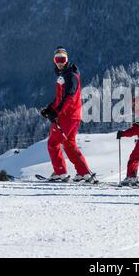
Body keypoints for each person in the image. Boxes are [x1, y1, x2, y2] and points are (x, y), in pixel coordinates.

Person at [40, 47, 97, 183]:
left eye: (62, 59)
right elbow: (60, 98)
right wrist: (50, 108)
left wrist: (56, 112)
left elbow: (69, 98)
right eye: (57, 59)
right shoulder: (65, 75)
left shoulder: (70, 76)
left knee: (53, 143)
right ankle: (83, 173)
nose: (60, 62)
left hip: (67, 116)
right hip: (73, 116)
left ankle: (60, 172)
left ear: (67, 59)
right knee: (69, 145)